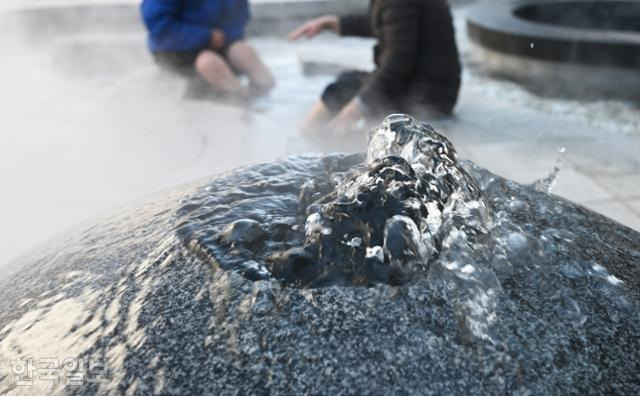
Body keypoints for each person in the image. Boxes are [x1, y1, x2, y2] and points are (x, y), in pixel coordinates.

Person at [289, 0, 461, 134]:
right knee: (353, 87)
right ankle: (308, 135)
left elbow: (395, 67)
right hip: (435, 88)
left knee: (344, 88)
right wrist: (336, 23)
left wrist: (354, 109)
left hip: (430, 98)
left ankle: (306, 139)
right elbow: (389, 23)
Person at [141, 0, 275, 98]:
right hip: (176, 49)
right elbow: (158, 26)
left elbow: (240, 17)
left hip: (218, 42)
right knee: (210, 62)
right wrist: (205, 36)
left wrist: (226, 36)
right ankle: (237, 100)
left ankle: (265, 97)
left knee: (244, 52)